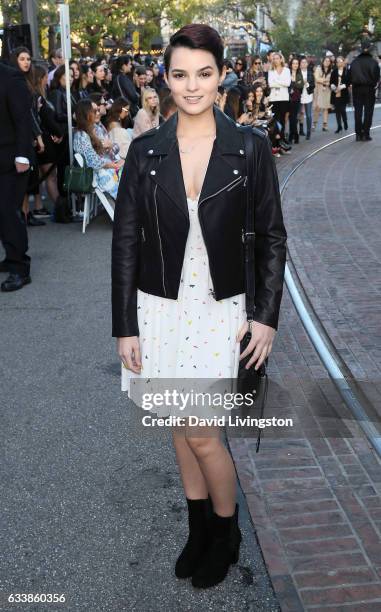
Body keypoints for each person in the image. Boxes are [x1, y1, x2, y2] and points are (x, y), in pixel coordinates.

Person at [112, 23, 287, 589]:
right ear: (166, 77)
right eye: (181, 74)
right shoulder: (146, 151)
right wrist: (125, 326)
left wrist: (265, 316)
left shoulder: (249, 148)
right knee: (178, 424)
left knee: (203, 431)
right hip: (160, 309)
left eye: (204, 74)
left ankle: (227, 531)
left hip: (221, 309)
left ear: (220, 76)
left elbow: (272, 237)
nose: (192, 87)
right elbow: (127, 242)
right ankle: (197, 527)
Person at [0, 62, 33, 291]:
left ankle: (19, 268)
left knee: (8, 212)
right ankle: (10, 256)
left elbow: (23, 120)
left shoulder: (11, 78)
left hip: (11, 159)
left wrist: (22, 155)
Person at [73, 99, 123, 199]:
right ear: (86, 114)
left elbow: (114, 148)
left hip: (105, 168)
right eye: (94, 111)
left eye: (98, 110)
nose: (98, 113)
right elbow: (93, 161)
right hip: (96, 174)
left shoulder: (95, 129)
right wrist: (114, 165)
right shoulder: (81, 135)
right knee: (127, 179)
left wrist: (111, 148)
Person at [349, 39, 380, 141]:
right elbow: (376, 77)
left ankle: (358, 134)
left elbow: (349, 76)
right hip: (369, 89)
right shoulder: (374, 62)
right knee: (368, 112)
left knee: (357, 112)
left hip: (357, 89)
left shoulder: (354, 62)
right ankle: (366, 133)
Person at [267, 51, 291, 143]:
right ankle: (276, 142)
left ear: (281, 59)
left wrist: (276, 81)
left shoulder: (287, 70)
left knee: (283, 120)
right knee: (275, 120)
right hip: (274, 98)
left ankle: (282, 139)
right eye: (274, 59)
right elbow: (270, 84)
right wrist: (281, 82)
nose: (276, 60)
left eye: (277, 58)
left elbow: (288, 83)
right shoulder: (271, 71)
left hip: (284, 98)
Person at [329, 56, 350, 133]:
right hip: (335, 94)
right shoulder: (334, 71)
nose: (339, 63)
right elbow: (331, 82)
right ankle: (339, 126)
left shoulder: (346, 71)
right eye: (337, 61)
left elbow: (348, 82)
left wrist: (341, 86)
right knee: (337, 110)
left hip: (344, 93)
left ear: (343, 62)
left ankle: (345, 121)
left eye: (340, 61)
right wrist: (333, 87)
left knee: (342, 109)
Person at [313, 56, 332, 131]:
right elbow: (317, 79)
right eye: (326, 61)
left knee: (326, 108)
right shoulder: (318, 69)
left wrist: (324, 81)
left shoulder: (331, 70)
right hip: (319, 90)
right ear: (323, 61)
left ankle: (325, 125)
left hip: (327, 91)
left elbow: (331, 81)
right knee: (317, 107)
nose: (327, 62)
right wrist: (325, 81)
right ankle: (314, 123)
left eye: (328, 61)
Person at [288, 57, 304, 143]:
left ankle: (292, 135)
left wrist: (293, 84)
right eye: (294, 63)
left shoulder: (299, 74)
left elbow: (301, 85)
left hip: (297, 98)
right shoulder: (287, 72)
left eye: (297, 63)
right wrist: (295, 84)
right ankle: (295, 134)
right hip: (288, 98)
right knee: (291, 117)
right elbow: (286, 84)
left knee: (294, 117)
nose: (295, 65)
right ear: (291, 64)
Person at [299, 56, 315, 140]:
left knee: (308, 115)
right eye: (302, 62)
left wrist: (307, 84)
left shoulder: (310, 73)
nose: (304, 64)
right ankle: (300, 130)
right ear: (300, 64)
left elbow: (313, 85)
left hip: (308, 96)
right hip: (299, 96)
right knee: (299, 114)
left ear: (307, 64)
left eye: (305, 62)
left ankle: (308, 132)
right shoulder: (298, 73)